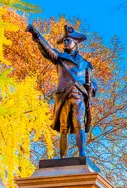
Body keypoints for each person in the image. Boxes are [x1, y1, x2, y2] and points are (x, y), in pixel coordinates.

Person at [25, 24, 96, 158]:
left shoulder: (86, 63)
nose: (65, 42)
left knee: (79, 123)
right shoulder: (59, 57)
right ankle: (62, 157)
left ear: (76, 42)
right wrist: (36, 35)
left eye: (68, 40)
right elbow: (48, 50)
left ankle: (82, 154)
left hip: (78, 96)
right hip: (63, 96)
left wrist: (92, 87)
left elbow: (94, 83)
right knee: (63, 127)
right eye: (64, 40)